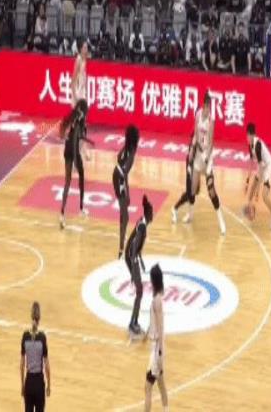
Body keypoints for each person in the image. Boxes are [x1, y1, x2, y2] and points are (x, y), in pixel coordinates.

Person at [188, 92, 227, 235]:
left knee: (211, 191)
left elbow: (211, 142)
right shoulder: (198, 114)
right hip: (198, 155)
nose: (208, 110)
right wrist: (192, 149)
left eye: (210, 107)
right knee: (193, 188)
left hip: (207, 157)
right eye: (207, 107)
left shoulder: (211, 120)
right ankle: (190, 215)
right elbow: (195, 134)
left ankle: (221, 220)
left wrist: (207, 157)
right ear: (203, 106)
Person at [59, 99, 93, 229]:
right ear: (84, 111)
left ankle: (62, 214)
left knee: (68, 181)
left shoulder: (74, 117)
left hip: (67, 150)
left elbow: (77, 137)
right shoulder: (80, 122)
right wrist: (75, 161)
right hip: (72, 151)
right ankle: (81, 208)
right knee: (80, 176)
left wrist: (87, 144)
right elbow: (75, 141)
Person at [125, 195, 153, 336]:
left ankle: (134, 322)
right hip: (131, 258)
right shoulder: (142, 226)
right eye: (152, 213)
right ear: (148, 214)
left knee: (139, 292)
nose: (153, 215)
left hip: (131, 257)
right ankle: (132, 323)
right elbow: (135, 245)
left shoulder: (142, 222)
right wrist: (134, 263)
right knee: (140, 292)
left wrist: (139, 260)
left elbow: (135, 243)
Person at [245, 123, 271, 230]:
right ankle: (251, 212)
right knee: (250, 193)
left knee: (264, 196)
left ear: (250, 135)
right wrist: (247, 181)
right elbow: (252, 163)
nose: (246, 138)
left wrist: (258, 189)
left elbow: (261, 167)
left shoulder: (258, 145)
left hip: (268, 167)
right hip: (261, 167)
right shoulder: (250, 145)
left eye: (247, 135)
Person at [144, 264, 169, 412]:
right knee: (161, 384)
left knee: (147, 387)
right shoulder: (158, 298)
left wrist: (159, 353)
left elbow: (160, 328)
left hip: (156, 349)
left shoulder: (156, 301)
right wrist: (146, 333)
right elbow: (155, 323)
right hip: (157, 348)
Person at [113, 125, 140, 258]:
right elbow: (124, 173)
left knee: (125, 215)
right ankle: (121, 250)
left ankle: (122, 239)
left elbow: (118, 157)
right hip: (120, 179)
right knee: (125, 215)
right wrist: (127, 192)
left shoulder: (126, 146)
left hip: (115, 174)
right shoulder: (132, 153)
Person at [20, 302, 51, 412]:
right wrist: (49, 385)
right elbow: (47, 366)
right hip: (39, 384)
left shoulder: (25, 336)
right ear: (39, 318)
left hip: (28, 382)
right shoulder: (42, 338)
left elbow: (22, 365)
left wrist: (22, 385)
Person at [171, 132, 197, 223]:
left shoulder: (201, 143)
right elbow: (189, 158)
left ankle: (188, 214)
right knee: (190, 193)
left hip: (196, 170)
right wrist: (189, 169)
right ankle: (175, 209)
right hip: (191, 169)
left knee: (193, 193)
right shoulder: (192, 145)